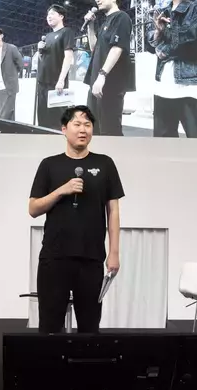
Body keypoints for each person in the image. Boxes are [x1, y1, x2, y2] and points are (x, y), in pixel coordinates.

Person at [29, 105, 124, 333]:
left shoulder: (105, 164)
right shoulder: (49, 165)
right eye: (77, 124)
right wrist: (62, 190)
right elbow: (33, 208)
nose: (83, 130)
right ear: (64, 129)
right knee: (50, 326)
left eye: (88, 125)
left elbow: (113, 211)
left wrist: (114, 253)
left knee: (90, 327)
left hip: (91, 258)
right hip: (55, 257)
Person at [146, 0, 197, 138]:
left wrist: (164, 48)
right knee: (163, 145)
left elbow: (193, 40)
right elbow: (150, 46)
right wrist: (159, 32)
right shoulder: (163, 10)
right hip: (163, 86)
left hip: (191, 87)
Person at [83, 0, 133, 136]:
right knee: (94, 128)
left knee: (109, 130)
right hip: (96, 83)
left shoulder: (121, 17)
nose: (97, 0)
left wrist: (102, 75)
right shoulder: (105, 22)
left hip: (110, 83)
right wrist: (90, 26)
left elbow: (117, 48)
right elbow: (94, 48)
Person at [37, 4, 75, 130]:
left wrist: (61, 80)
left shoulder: (66, 32)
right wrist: (40, 51)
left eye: (52, 14)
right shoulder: (47, 37)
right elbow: (42, 60)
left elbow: (68, 57)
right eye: (47, 15)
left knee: (57, 120)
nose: (49, 17)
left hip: (56, 83)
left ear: (61, 16)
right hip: (42, 83)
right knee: (43, 118)